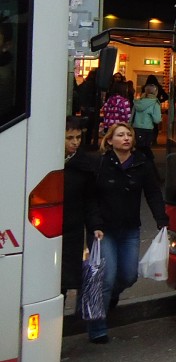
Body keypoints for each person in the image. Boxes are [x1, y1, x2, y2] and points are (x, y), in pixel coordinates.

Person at [83, 122, 170, 344]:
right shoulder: (100, 163)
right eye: (120, 135)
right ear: (110, 140)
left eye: (129, 134)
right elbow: (90, 197)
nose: (126, 138)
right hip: (104, 231)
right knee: (105, 277)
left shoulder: (142, 163)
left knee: (129, 275)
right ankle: (97, 327)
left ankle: (110, 297)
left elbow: (152, 192)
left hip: (130, 228)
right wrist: (95, 225)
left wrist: (161, 219)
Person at [62, 116, 97, 298]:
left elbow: (90, 199)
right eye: (70, 138)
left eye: (78, 137)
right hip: (48, 225)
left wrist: (94, 226)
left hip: (72, 227)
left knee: (65, 279)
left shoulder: (84, 164)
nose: (75, 142)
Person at [131, 83, 162, 159]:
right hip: (147, 129)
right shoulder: (155, 103)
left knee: (138, 147)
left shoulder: (138, 102)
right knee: (146, 149)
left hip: (136, 127)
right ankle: (147, 164)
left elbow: (132, 116)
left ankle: (137, 163)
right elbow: (157, 120)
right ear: (156, 92)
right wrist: (152, 115)